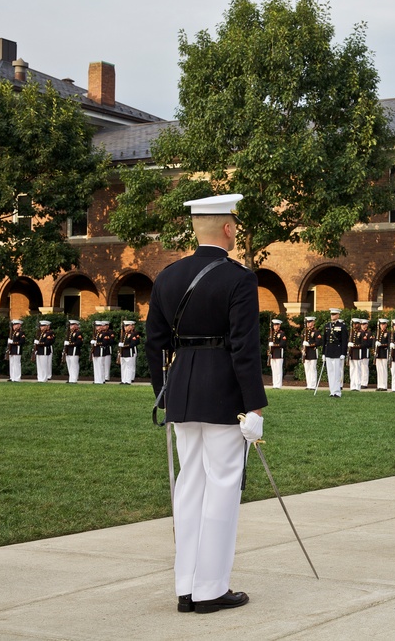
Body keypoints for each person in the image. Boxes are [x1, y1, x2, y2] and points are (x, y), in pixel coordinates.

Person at [145, 193, 267, 614]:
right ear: (228, 228)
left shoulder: (168, 276)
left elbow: (155, 343)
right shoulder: (239, 278)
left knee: (189, 486)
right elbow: (244, 347)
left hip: (182, 391)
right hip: (223, 394)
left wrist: (164, 392)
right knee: (222, 488)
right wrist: (254, 406)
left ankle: (186, 585)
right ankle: (210, 587)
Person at [322, 308, 348, 397]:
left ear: (338, 315)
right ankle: (332, 391)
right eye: (331, 314)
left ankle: (337, 391)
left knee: (337, 373)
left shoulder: (342, 326)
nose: (332, 316)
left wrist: (343, 353)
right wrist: (323, 353)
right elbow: (325, 341)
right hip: (329, 351)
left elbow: (344, 341)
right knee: (330, 372)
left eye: (334, 314)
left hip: (337, 351)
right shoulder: (327, 325)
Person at [301, 316, 321, 390]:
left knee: (312, 368)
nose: (308, 324)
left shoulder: (316, 332)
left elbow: (318, 342)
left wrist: (309, 344)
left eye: (310, 322)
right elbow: (301, 342)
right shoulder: (304, 332)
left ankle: (313, 385)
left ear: (313, 322)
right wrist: (302, 349)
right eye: (307, 322)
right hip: (306, 352)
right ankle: (308, 384)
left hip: (312, 351)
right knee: (307, 368)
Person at [267, 319, 286, 389]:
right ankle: (274, 384)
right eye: (274, 325)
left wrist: (274, 345)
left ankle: (278, 384)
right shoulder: (271, 333)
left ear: (279, 325)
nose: (275, 326)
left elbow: (283, 344)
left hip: (278, 353)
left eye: (276, 325)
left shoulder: (281, 333)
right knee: (274, 369)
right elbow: (269, 344)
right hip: (273, 353)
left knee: (278, 369)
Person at [374, 318, 391, 391]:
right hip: (378, 354)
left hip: (384, 353)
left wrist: (381, 345)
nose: (382, 326)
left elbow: (389, 343)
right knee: (379, 370)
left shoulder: (388, 333)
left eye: (383, 324)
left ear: (386, 325)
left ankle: (384, 386)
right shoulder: (378, 333)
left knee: (383, 369)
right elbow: (374, 343)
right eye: (381, 324)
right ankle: (379, 385)